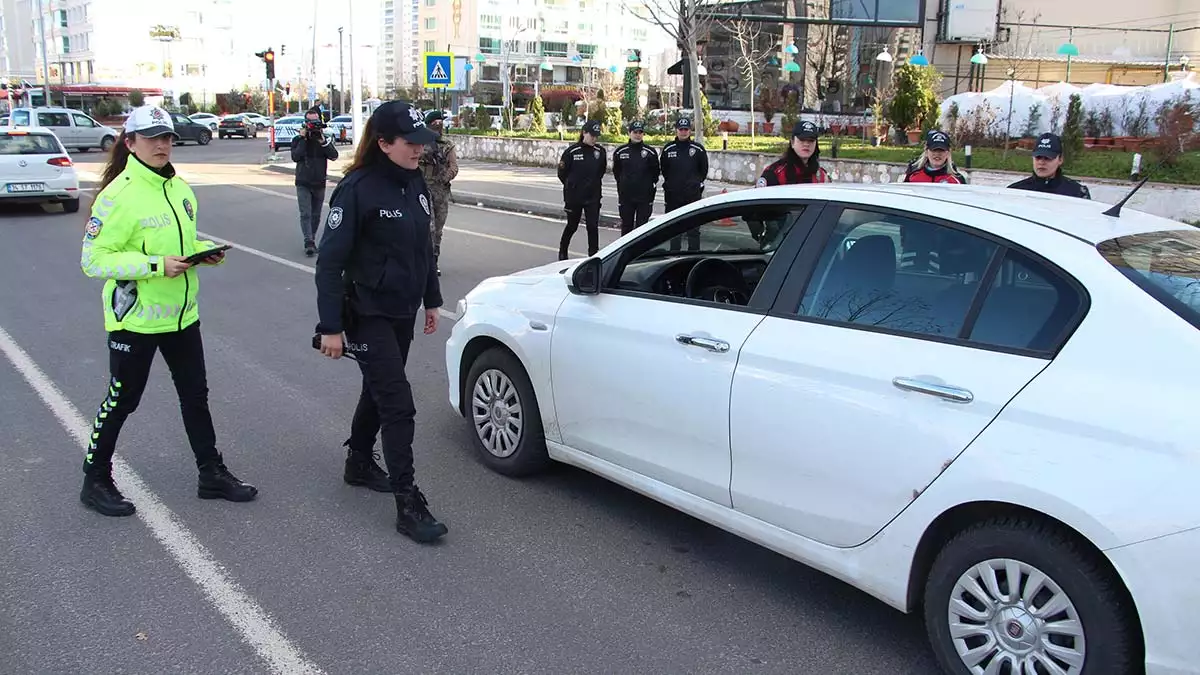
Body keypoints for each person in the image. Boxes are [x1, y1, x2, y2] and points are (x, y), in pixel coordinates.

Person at [78, 105, 257, 517]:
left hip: (181, 315)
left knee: (196, 396)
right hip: (136, 320)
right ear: (130, 143)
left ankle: (210, 472)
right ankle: (95, 479)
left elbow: (180, 243)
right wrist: (155, 267)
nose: (162, 145)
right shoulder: (117, 196)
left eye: (167, 137)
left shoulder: (179, 188)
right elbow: (94, 261)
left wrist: (201, 255)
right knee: (122, 400)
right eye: (151, 138)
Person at [313, 100, 448, 544]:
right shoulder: (357, 189)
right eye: (411, 144)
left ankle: (357, 463)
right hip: (367, 312)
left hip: (402, 310)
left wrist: (431, 300)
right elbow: (329, 264)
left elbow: (424, 249)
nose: (419, 151)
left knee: (377, 388)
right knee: (397, 403)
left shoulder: (416, 186)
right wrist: (331, 326)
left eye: (421, 143)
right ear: (384, 143)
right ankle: (408, 503)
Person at [291, 106, 339, 256]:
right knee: (305, 213)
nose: (313, 125)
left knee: (316, 215)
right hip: (303, 182)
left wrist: (322, 140)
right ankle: (309, 241)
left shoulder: (323, 139)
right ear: (305, 123)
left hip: (319, 182)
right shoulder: (298, 139)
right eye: (310, 122)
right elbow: (295, 157)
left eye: (316, 122)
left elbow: (334, 155)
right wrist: (304, 139)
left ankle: (310, 236)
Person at [556, 120, 607, 260]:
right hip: (574, 197)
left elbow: (600, 172)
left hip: (593, 197)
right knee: (572, 225)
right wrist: (572, 186)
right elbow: (562, 173)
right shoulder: (572, 152)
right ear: (584, 133)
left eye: (596, 136)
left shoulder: (600, 152)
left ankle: (594, 255)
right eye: (592, 135)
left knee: (592, 226)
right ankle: (563, 250)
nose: (594, 139)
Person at [418, 109, 459, 276]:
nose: (438, 126)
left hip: (440, 191)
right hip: (423, 189)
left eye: (440, 124)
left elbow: (453, 167)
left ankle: (434, 260)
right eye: (435, 124)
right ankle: (426, 262)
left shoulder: (447, 145)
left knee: (438, 229)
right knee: (429, 226)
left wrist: (444, 177)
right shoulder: (420, 143)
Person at [660, 117, 708, 251]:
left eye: (686, 129)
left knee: (693, 230)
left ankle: (693, 256)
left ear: (690, 131)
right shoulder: (668, 149)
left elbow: (703, 170)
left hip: (692, 197)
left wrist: (695, 185)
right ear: (676, 130)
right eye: (681, 129)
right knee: (674, 230)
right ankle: (673, 256)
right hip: (673, 197)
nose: (683, 132)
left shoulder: (698, 149)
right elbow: (664, 169)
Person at [612, 120, 660, 236]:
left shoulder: (650, 152)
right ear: (629, 133)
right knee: (626, 227)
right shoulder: (620, 152)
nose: (638, 135)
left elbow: (655, 173)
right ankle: (625, 253)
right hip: (626, 197)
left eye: (640, 132)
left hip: (644, 198)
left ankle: (640, 253)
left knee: (642, 229)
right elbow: (617, 172)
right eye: (635, 132)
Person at [1008, 132, 1092, 199]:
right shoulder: (1015, 191)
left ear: (1060, 159)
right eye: (1038, 157)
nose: (1041, 162)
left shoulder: (1078, 193)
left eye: (1047, 158)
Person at [756, 120, 831, 187]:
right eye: (802, 140)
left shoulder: (821, 175)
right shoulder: (774, 173)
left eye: (811, 140)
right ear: (792, 142)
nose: (806, 144)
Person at [902, 130, 967, 184]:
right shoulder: (912, 175)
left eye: (941, 150)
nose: (937, 154)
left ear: (948, 153)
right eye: (934, 150)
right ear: (926, 152)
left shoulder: (957, 180)